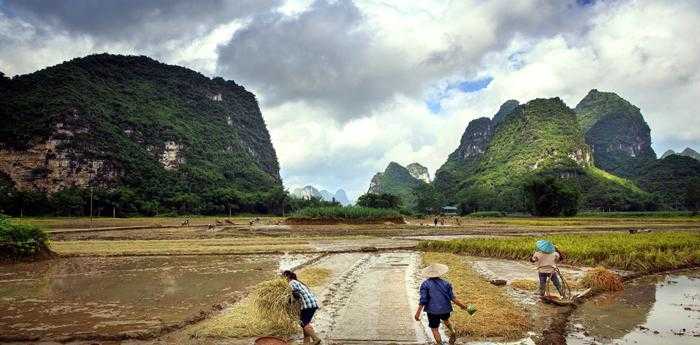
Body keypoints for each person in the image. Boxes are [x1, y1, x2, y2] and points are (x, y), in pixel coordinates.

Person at [414, 263, 468, 345]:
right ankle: (453, 332)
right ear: (440, 273)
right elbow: (453, 298)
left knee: (434, 329)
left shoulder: (425, 284)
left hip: (432, 311)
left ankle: (439, 343)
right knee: (446, 320)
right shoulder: (446, 283)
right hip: (445, 309)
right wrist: (463, 306)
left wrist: (418, 313)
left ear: (428, 274)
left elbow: (423, 300)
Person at [282, 270, 321, 345]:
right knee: (305, 323)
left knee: (304, 323)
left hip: (308, 305)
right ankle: (306, 342)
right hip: (312, 303)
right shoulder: (297, 282)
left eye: (284, 277)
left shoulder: (291, 283)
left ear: (287, 276)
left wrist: (288, 302)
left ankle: (316, 339)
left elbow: (295, 295)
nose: (283, 279)